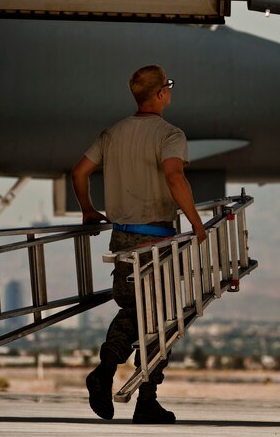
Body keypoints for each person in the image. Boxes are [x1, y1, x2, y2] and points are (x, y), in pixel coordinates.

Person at [71, 65, 206, 424]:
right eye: (169, 86)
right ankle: (143, 396)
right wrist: (195, 222)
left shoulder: (112, 133)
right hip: (157, 242)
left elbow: (79, 172)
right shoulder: (170, 134)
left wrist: (88, 209)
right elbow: (174, 175)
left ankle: (107, 373)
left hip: (122, 238)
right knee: (163, 322)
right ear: (161, 93)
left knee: (132, 311)